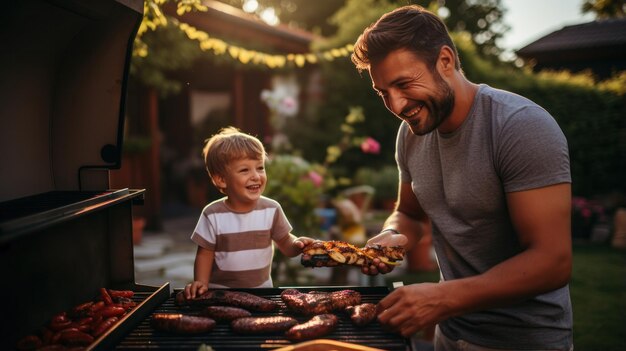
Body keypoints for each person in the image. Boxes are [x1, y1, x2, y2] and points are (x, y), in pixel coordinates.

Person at [351, 5, 573, 351]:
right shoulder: (410, 134)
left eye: (404, 84)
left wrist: (442, 298)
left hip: (522, 340)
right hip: (449, 334)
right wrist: (393, 236)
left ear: (445, 61)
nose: (396, 104)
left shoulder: (520, 126)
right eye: (383, 92)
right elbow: (409, 213)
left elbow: (552, 261)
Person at [182, 126, 314, 299]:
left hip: (262, 293)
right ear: (221, 179)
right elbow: (205, 254)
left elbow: (285, 242)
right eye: (245, 170)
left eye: (260, 168)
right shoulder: (212, 214)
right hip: (221, 294)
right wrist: (201, 282)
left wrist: (297, 245)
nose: (255, 176)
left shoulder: (271, 209)